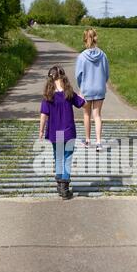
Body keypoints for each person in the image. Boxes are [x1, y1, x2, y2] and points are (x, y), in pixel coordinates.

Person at [39, 65, 86, 200]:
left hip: (56, 132)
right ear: (64, 78)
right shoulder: (69, 93)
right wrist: (82, 95)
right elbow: (83, 104)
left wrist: (41, 130)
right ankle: (65, 188)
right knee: (67, 158)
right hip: (68, 131)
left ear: (50, 81)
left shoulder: (49, 96)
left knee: (58, 157)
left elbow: (43, 115)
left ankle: (60, 185)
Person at [75, 28, 109, 152]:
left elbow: (78, 75)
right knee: (97, 115)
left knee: (86, 114)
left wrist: (81, 88)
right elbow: (106, 73)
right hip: (99, 88)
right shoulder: (103, 55)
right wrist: (102, 83)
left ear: (85, 39)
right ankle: (99, 142)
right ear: (96, 38)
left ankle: (88, 140)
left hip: (86, 89)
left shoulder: (82, 57)